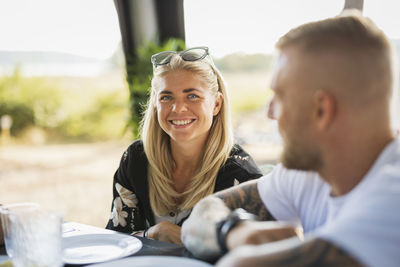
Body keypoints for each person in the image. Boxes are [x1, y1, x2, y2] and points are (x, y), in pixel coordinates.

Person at [182, 11, 400, 267]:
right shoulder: (314, 172)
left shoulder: (392, 197)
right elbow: (205, 211)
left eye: (280, 97)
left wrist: (241, 252)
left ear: (322, 111)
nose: (270, 112)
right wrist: (234, 231)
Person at [105, 46, 263, 244]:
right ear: (155, 103)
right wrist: (154, 232)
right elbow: (115, 240)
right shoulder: (136, 158)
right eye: (166, 97)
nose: (178, 108)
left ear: (216, 104)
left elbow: (248, 254)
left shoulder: (242, 175)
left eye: (192, 96)